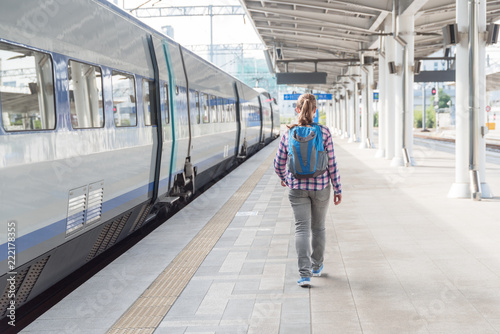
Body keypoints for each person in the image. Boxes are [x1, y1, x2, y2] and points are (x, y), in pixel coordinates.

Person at [274, 93, 342, 287]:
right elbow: (332, 164)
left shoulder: (289, 133)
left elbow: (278, 163)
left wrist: (283, 178)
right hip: (321, 187)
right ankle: (316, 266)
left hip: (296, 188)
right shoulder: (324, 132)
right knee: (318, 227)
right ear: (315, 110)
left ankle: (304, 275)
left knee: (301, 229)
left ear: (297, 110)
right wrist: (337, 188)